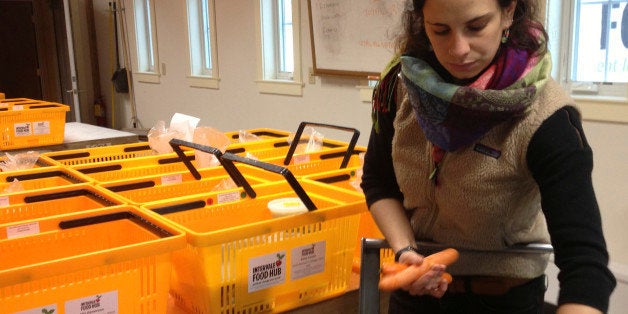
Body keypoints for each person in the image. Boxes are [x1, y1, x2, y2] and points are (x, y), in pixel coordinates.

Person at [360, 0, 616, 313]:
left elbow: (586, 269)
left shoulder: (547, 118)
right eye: (440, 30)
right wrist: (406, 252)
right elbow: (378, 183)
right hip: (415, 298)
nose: (458, 49)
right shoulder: (401, 88)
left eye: (476, 26)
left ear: (508, 12)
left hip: (503, 301)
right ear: (421, 20)